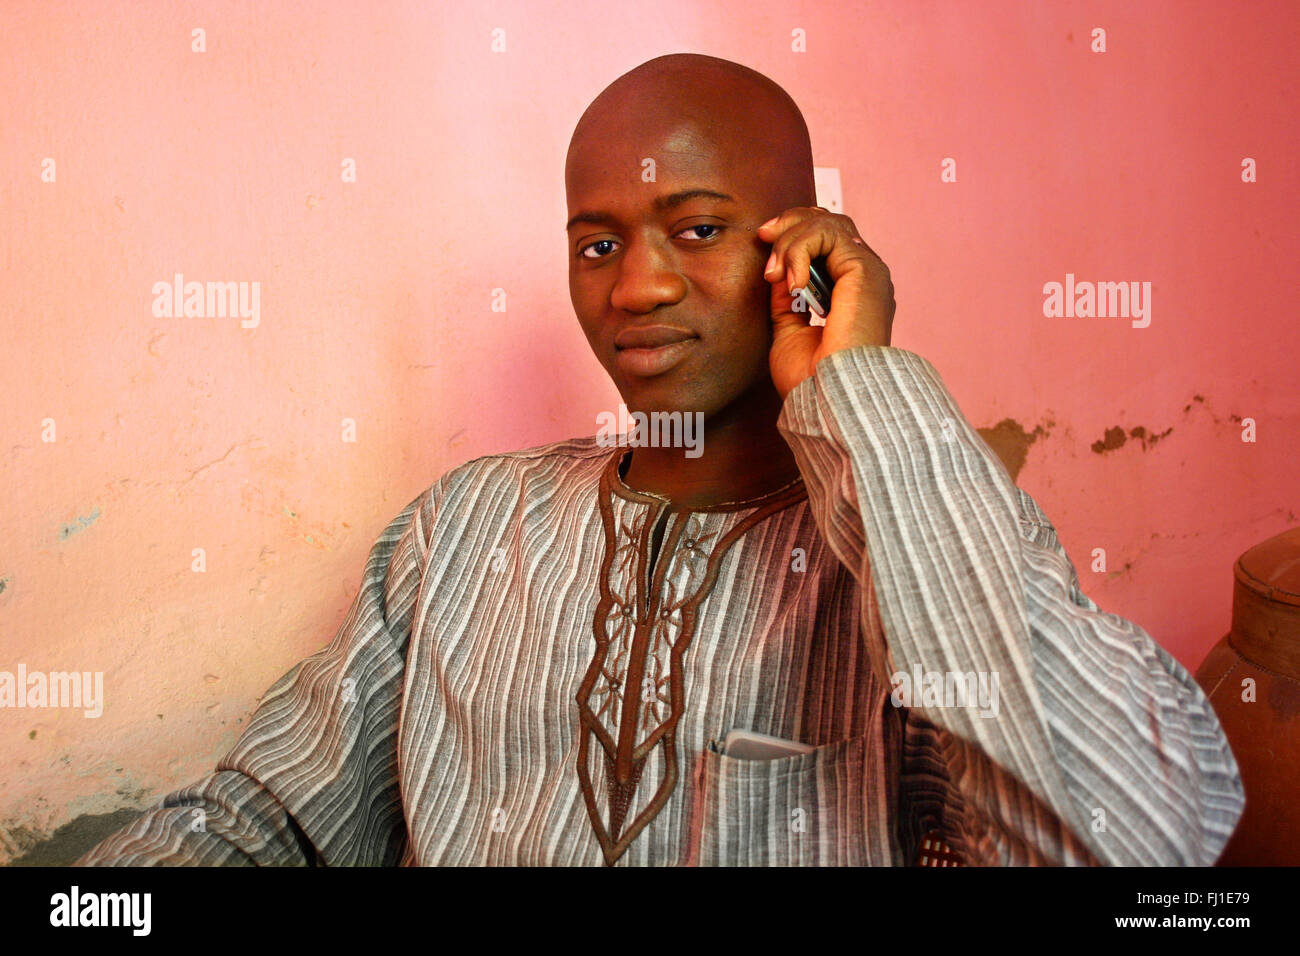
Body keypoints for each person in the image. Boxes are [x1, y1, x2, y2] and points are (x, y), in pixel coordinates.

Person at [79, 53, 1243, 867]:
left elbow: (1120, 837)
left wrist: (860, 388)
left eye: (696, 228)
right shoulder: (462, 531)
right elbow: (264, 822)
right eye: (597, 242)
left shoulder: (908, 540)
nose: (634, 288)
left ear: (805, 254)